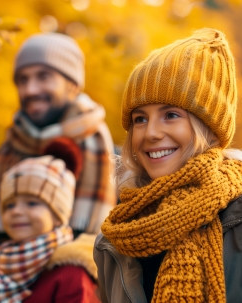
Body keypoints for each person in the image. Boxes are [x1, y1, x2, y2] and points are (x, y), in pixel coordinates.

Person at [0, 33, 116, 302]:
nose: (30, 90)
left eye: (43, 76)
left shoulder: (116, 166)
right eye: (22, 80)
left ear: (73, 84)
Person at [94, 28, 242, 303]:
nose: (150, 133)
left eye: (170, 115)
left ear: (208, 128)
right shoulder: (116, 238)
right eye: (139, 119)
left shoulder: (237, 220)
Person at [0, 138, 100, 303]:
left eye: (32, 203)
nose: (17, 211)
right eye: (10, 205)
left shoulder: (71, 274)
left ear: (58, 216)